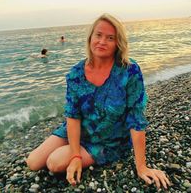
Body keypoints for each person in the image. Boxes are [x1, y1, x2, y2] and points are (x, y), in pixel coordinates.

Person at [26, 14, 170, 189]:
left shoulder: (129, 71)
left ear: (118, 43)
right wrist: (76, 156)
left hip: (109, 138)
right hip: (82, 127)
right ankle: (76, 147)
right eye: (98, 35)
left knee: (54, 163)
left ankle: (89, 150)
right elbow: (73, 116)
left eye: (110, 38)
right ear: (90, 37)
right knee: (32, 162)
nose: (102, 41)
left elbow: (136, 118)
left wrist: (141, 166)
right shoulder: (76, 74)